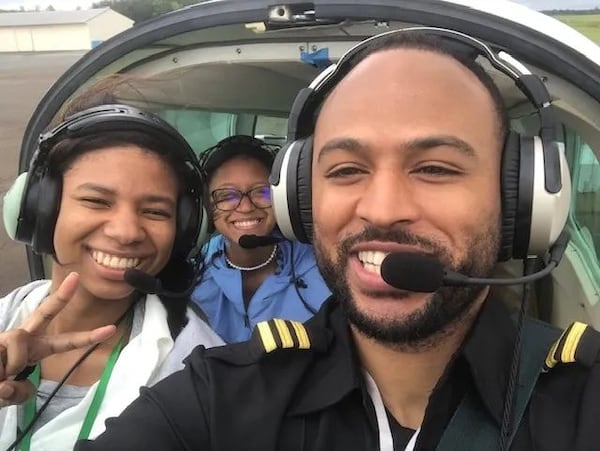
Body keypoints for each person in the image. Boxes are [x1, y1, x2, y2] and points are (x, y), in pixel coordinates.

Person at [76, 27, 600, 450]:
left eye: (436, 168)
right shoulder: (220, 396)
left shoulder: (583, 397)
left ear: (521, 199)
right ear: (302, 202)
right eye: (347, 170)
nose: (383, 209)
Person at [0, 81, 222, 450]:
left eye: (154, 211)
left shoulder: (202, 372)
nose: (126, 232)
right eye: (96, 201)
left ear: (184, 233)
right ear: (39, 208)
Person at [192, 135, 331, 343]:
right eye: (226, 195)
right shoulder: (191, 273)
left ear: (283, 198)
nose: (246, 207)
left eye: (261, 192)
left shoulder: (324, 267)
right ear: (206, 208)